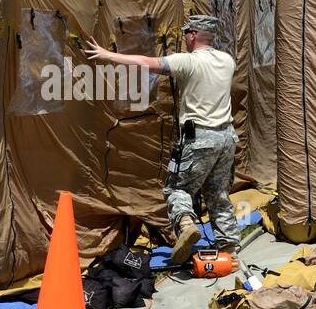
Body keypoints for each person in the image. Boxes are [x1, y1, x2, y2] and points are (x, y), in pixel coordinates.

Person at [84, 14, 239, 264]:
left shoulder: (188, 62)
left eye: (187, 34)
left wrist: (108, 55)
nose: (186, 39)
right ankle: (229, 251)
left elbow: (147, 62)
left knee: (177, 189)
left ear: (193, 35)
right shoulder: (227, 60)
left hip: (198, 137)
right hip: (226, 137)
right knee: (218, 194)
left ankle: (186, 224)